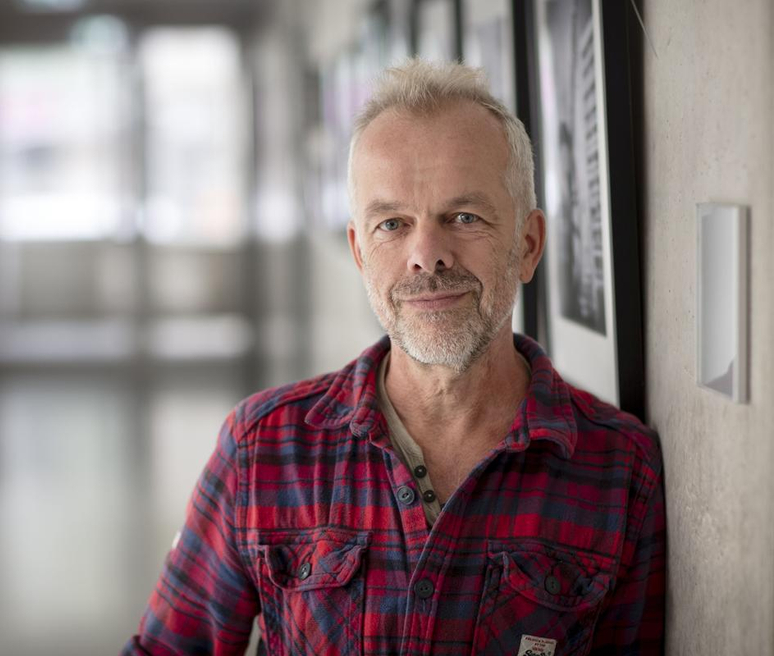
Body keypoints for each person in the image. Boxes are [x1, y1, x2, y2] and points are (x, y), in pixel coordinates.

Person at [122, 59, 665, 656]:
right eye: (392, 223)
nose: (426, 255)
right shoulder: (262, 448)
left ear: (528, 245)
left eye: (464, 217)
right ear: (359, 252)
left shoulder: (619, 471)